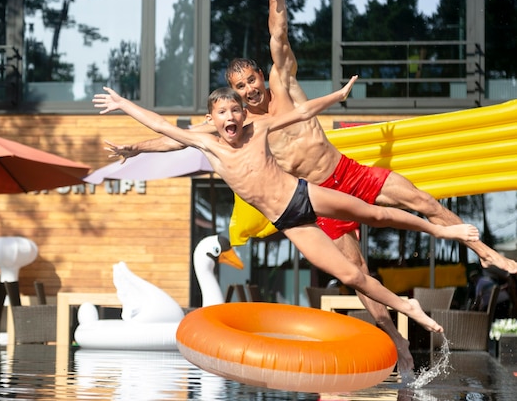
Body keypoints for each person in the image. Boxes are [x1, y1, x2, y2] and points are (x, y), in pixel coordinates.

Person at [103, 0, 517, 374]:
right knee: (357, 274)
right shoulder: (236, 124)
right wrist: (134, 148)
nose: (248, 90)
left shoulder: (283, 83)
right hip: (313, 200)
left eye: (251, 81)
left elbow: (278, 31)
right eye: (239, 87)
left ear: (261, 77)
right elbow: (171, 138)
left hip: (342, 172)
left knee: (419, 200)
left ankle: (483, 251)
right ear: (231, 95)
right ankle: (395, 339)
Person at [93, 81, 482, 336]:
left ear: (243, 114)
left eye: (235, 111)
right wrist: (124, 107)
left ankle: (442, 229)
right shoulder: (206, 145)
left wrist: (337, 97)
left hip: (304, 194)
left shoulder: (257, 129)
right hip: (288, 221)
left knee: (376, 213)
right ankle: (407, 307)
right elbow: (161, 128)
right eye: (222, 114)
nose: (230, 118)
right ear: (210, 121)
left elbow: (301, 112)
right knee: (351, 274)